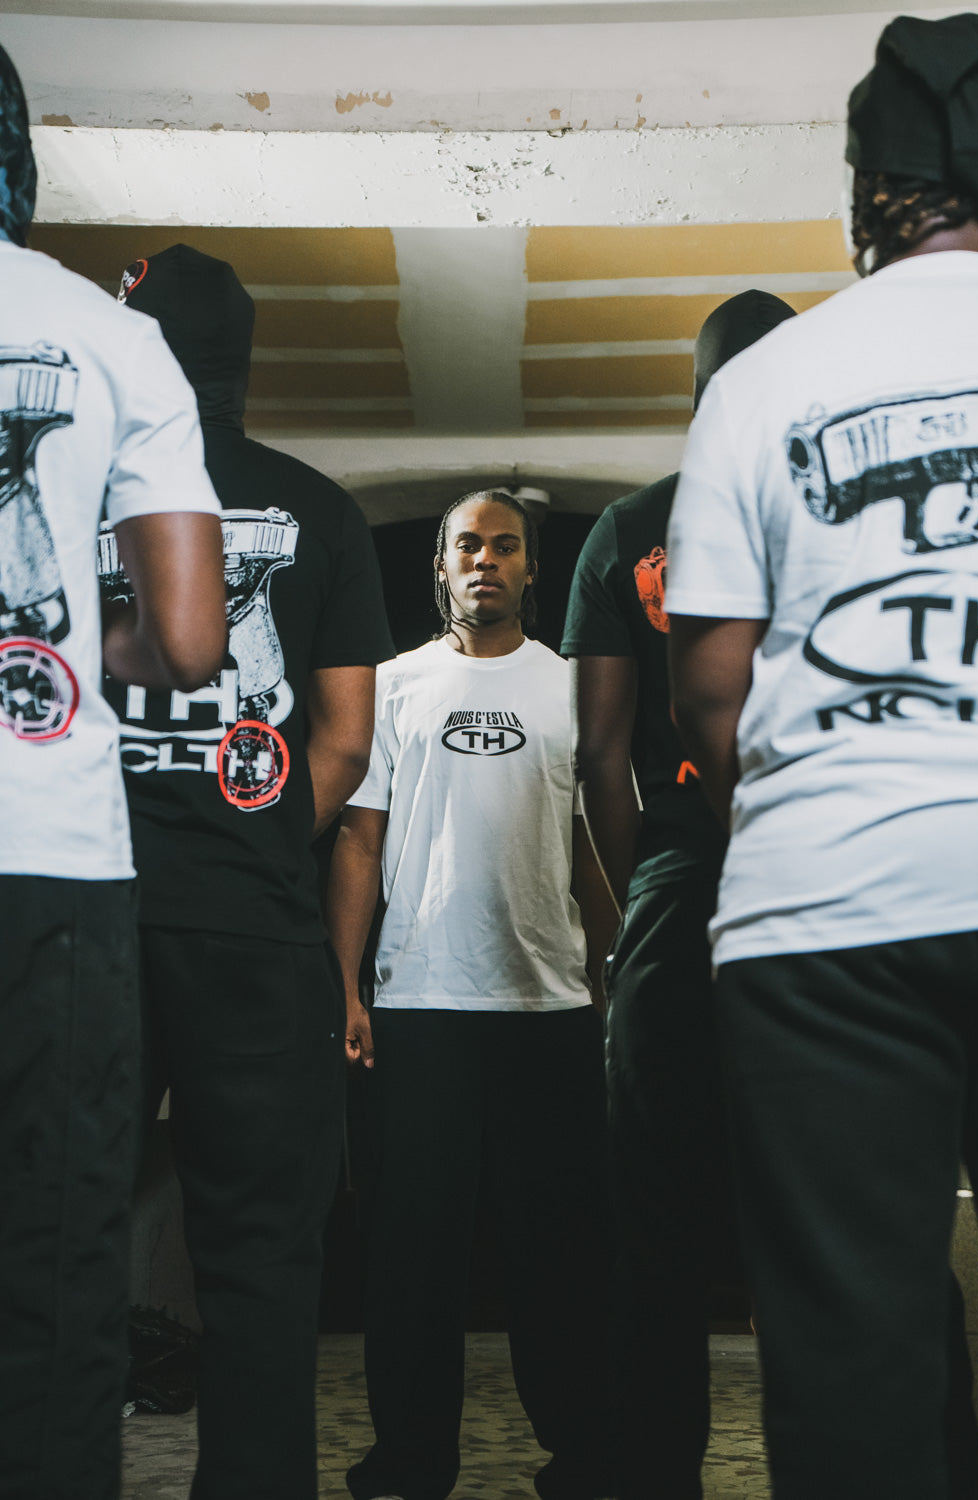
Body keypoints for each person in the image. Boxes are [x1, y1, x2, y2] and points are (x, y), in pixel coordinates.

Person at [665, 14, 978, 1499]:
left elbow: (710, 691)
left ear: (867, 191)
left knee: (851, 1364)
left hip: (827, 915)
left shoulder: (762, 380)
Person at [106, 244, 394, 1500]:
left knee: (51, 1238)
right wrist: (265, 837)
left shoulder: (78, 491)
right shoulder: (320, 507)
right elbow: (344, 740)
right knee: (263, 1260)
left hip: (92, 921)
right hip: (258, 934)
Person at [0, 50, 227, 1500]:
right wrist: (74, 648)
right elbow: (193, 640)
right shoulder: (111, 336)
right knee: (57, 1250)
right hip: (52, 856)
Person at [327, 490, 617, 1500]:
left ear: (531, 568)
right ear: (441, 566)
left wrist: (611, 980)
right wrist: (347, 986)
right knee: (412, 1257)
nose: (484, 560)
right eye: (467, 546)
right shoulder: (394, 684)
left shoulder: (572, 686)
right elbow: (357, 841)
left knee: (560, 1252)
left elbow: (593, 846)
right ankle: (410, 1461)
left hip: (551, 1006)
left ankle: (583, 1456)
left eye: (504, 546)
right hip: (419, 1006)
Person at [561, 289, 795, 1500]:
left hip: (680, 868)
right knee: (831, 1192)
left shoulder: (632, 525)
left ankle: (653, 1476)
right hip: (811, 855)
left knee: (650, 1206)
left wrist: (641, 892)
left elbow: (601, 753)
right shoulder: (839, 501)